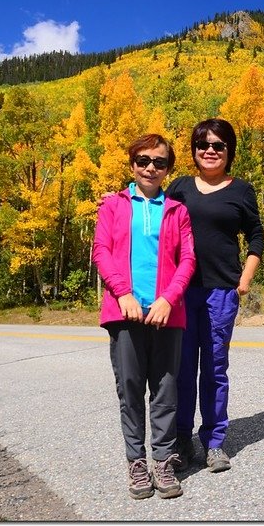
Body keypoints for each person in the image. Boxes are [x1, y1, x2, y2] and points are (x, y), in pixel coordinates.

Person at [92, 133, 195, 500]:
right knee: (131, 391)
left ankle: (164, 461)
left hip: (167, 314)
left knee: (166, 392)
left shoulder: (177, 210)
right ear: (132, 164)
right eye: (143, 160)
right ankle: (136, 462)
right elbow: (101, 251)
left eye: (160, 162)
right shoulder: (114, 206)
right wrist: (123, 294)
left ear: (169, 168)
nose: (151, 167)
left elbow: (188, 259)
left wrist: (169, 298)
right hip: (125, 314)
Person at [165, 118, 264, 473]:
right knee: (180, 370)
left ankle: (214, 442)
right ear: (193, 150)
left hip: (221, 292)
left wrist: (244, 279)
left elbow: (256, 236)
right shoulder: (177, 188)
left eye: (218, 145)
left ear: (229, 151)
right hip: (179, 292)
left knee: (215, 370)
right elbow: (152, 225)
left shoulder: (240, 191)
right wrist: (115, 203)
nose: (210, 150)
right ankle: (180, 441)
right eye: (203, 144)